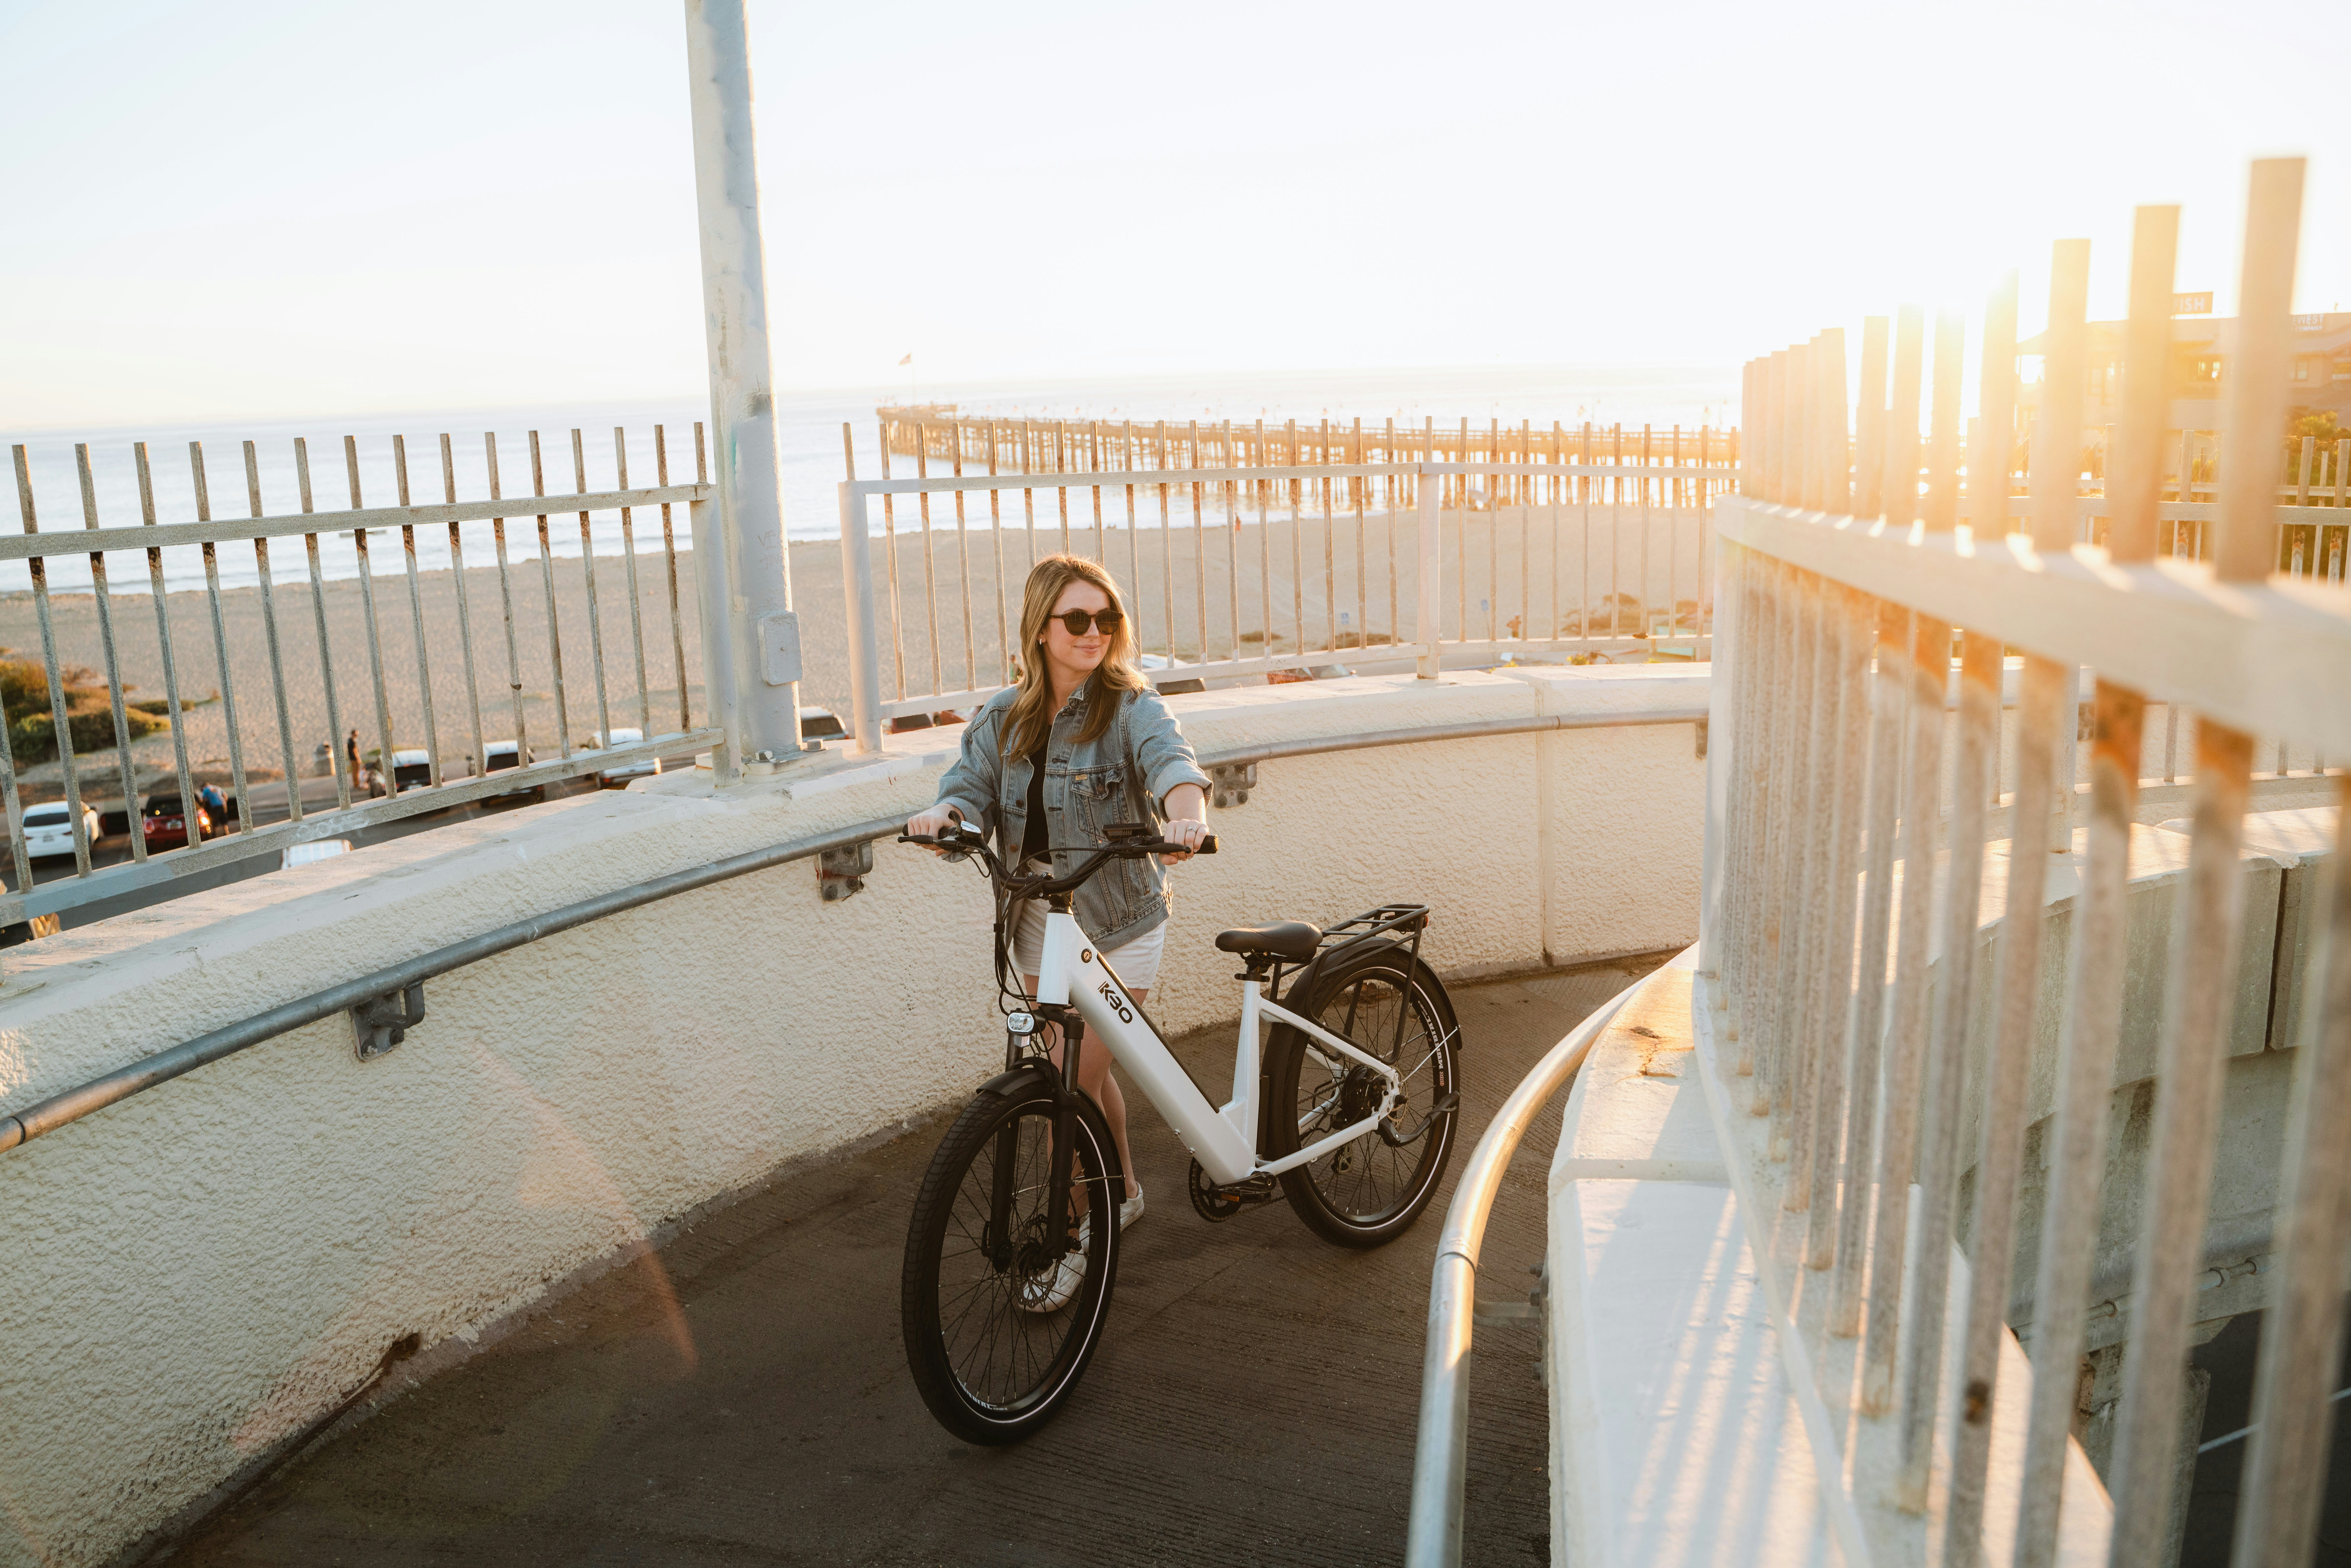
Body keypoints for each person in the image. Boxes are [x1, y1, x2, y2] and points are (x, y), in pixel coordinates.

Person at [908, 553, 1212, 1254]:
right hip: (1039, 924)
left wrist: (1185, 817)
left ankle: (1074, 1236)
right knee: (1080, 1075)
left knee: (1062, 1090)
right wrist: (944, 818)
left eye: (1106, 619)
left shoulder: (1131, 704)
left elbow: (1172, 763)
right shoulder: (1003, 718)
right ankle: (1124, 1196)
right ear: (1040, 629)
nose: (1094, 632)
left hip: (1119, 920)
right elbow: (968, 789)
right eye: (1077, 619)